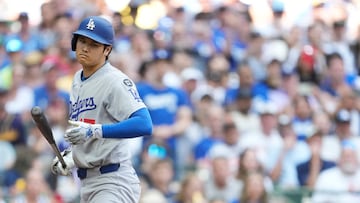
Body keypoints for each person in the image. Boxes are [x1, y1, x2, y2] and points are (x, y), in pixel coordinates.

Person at [50, 16, 153, 203]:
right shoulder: (76, 79)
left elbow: (144, 124)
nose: (85, 47)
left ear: (107, 50)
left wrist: (94, 131)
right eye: (82, 41)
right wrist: (74, 157)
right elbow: (89, 126)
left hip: (113, 181)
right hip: (88, 183)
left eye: (94, 44)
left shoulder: (115, 81)